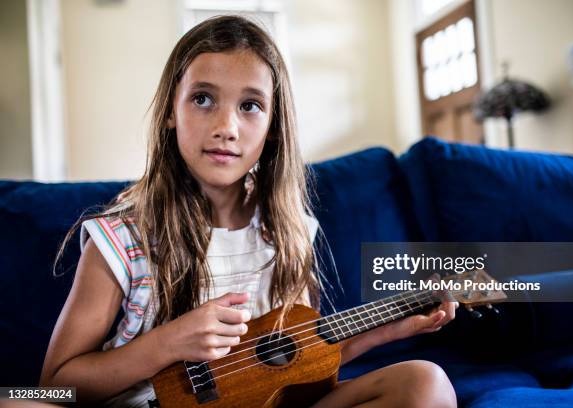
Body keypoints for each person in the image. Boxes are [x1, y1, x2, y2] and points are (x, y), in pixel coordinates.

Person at [39, 15, 457, 408]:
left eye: (250, 106)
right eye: (203, 99)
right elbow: (53, 387)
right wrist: (169, 342)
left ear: (274, 124)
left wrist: (390, 329)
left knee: (426, 383)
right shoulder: (123, 239)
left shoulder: (288, 233)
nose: (227, 127)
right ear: (170, 110)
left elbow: (298, 360)